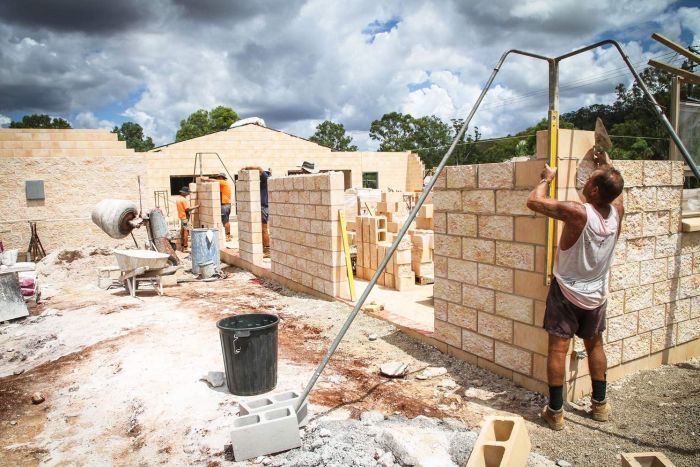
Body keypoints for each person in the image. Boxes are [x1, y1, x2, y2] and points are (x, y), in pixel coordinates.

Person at [526, 155, 624, 430]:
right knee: (595, 344)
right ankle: (600, 406)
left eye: (590, 178)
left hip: (567, 292)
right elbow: (612, 191)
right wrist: (606, 164)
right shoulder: (618, 212)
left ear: (593, 190)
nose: (585, 179)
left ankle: (555, 412)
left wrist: (547, 178)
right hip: (596, 293)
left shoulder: (577, 212)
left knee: (558, 350)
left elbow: (533, 201)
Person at [242, 166, 272, 253]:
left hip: (263, 207)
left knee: (264, 229)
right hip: (262, 207)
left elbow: (259, 168)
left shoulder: (265, 179)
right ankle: (265, 248)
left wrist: (246, 168)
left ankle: (267, 250)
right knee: (262, 229)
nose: (258, 175)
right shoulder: (263, 183)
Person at [214, 173, 233, 241]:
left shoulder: (222, 182)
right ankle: (228, 235)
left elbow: (213, 181)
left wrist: (205, 179)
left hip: (224, 205)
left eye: (218, 177)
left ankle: (228, 236)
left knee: (225, 222)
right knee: (226, 221)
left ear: (221, 177)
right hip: (227, 205)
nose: (217, 178)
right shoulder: (224, 183)